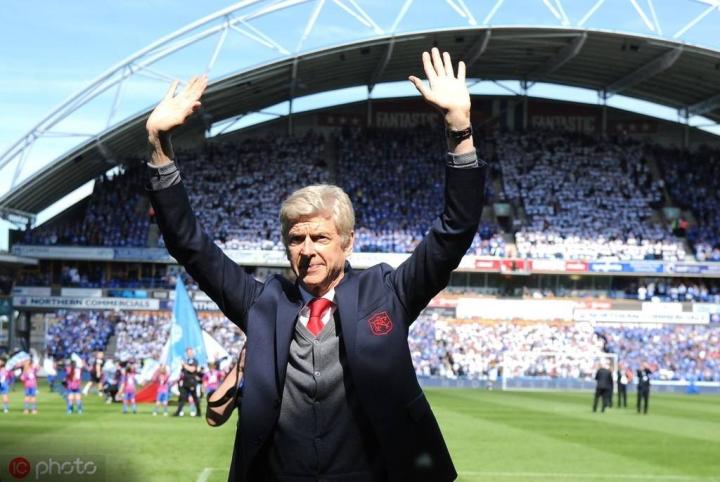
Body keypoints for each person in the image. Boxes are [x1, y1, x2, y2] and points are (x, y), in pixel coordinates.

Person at [146, 48, 484, 481]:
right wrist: (159, 146)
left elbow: (454, 231)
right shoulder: (263, 303)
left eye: (320, 238)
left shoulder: (387, 292)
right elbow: (188, 244)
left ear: (347, 242)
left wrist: (459, 127)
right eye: (296, 239)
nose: (307, 250)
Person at [174, 347, 202, 417]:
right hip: (184, 382)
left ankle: (198, 412)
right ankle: (178, 412)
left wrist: (185, 365)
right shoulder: (186, 360)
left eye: (190, 352)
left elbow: (192, 369)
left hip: (191, 381)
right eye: (188, 352)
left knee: (195, 398)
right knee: (182, 397)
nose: (189, 353)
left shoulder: (194, 361)